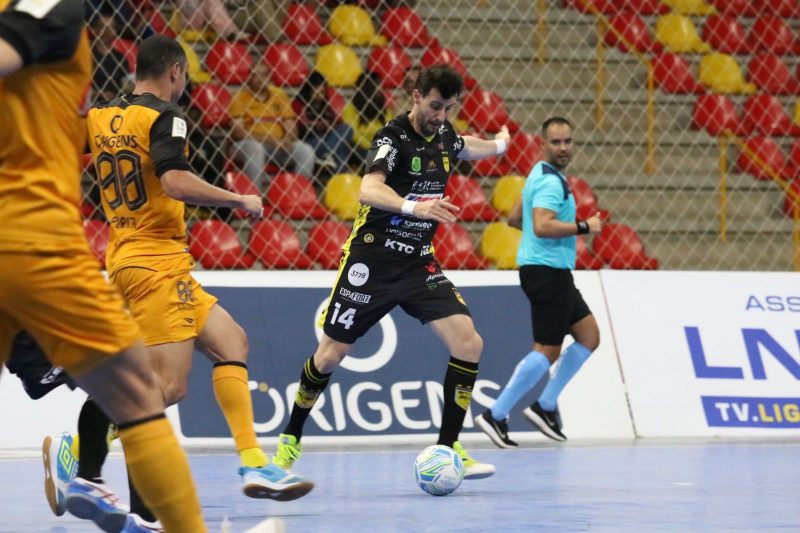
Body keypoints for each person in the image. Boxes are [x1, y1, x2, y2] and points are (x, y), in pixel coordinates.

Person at [57, 34, 313, 531]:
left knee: (230, 340)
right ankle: (95, 467)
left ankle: (252, 460)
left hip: (133, 255)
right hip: (156, 262)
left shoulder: (102, 115)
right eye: (186, 76)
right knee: (161, 390)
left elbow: (66, 153)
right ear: (175, 71)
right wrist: (236, 198)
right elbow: (174, 180)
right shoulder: (167, 116)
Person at [0, 1, 207, 531]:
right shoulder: (50, 7)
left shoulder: (103, 113)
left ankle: (89, 476)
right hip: (31, 232)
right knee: (141, 390)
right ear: (176, 73)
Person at [270, 65, 510, 480]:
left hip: (417, 262)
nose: (441, 116)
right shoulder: (391, 138)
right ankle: (291, 437)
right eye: (435, 106)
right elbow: (368, 188)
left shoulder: (445, 134)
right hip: (372, 261)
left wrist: (498, 145)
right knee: (330, 356)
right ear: (416, 96)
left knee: (469, 343)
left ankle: (449, 448)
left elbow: (463, 146)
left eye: (450, 108)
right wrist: (414, 207)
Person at [474, 116, 602, 448]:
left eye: (568, 141)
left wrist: (538, 238)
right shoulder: (551, 183)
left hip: (551, 270)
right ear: (543, 144)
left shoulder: (538, 174)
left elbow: (516, 219)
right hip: (547, 272)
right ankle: (496, 413)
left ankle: (545, 406)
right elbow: (542, 225)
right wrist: (584, 227)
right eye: (556, 142)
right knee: (546, 350)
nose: (563, 147)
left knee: (589, 336)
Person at [229, 61, 315, 185]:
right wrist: (269, 139)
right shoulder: (239, 97)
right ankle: (254, 199)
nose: (260, 78)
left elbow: (291, 126)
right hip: (246, 145)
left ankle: (296, 194)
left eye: (264, 75)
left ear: (270, 78)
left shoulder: (279, 96)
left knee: (306, 150)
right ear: (249, 78)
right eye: (255, 75)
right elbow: (237, 132)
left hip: (277, 146)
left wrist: (288, 138)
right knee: (256, 149)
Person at [296, 70, 354, 176]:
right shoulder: (298, 105)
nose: (320, 96)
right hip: (310, 142)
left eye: (322, 93)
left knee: (347, 128)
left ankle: (328, 155)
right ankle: (342, 175)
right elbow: (300, 129)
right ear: (309, 91)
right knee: (342, 147)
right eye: (316, 92)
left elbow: (338, 124)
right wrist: (319, 126)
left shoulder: (325, 105)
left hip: (328, 139)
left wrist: (331, 125)